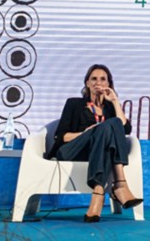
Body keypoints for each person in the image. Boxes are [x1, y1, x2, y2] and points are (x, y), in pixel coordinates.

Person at [47, 64, 143, 222]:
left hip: (97, 152)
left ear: (109, 85)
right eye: (94, 79)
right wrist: (87, 133)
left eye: (103, 79)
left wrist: (115, 101)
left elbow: (125, 129)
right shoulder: (74, 104)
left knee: (110, 128)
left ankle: (98, 192)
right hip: (72, 150)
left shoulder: (111, 109)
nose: (98, 82)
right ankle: (120, 184)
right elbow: (61, 136)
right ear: (87, 83)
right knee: (105, 128)